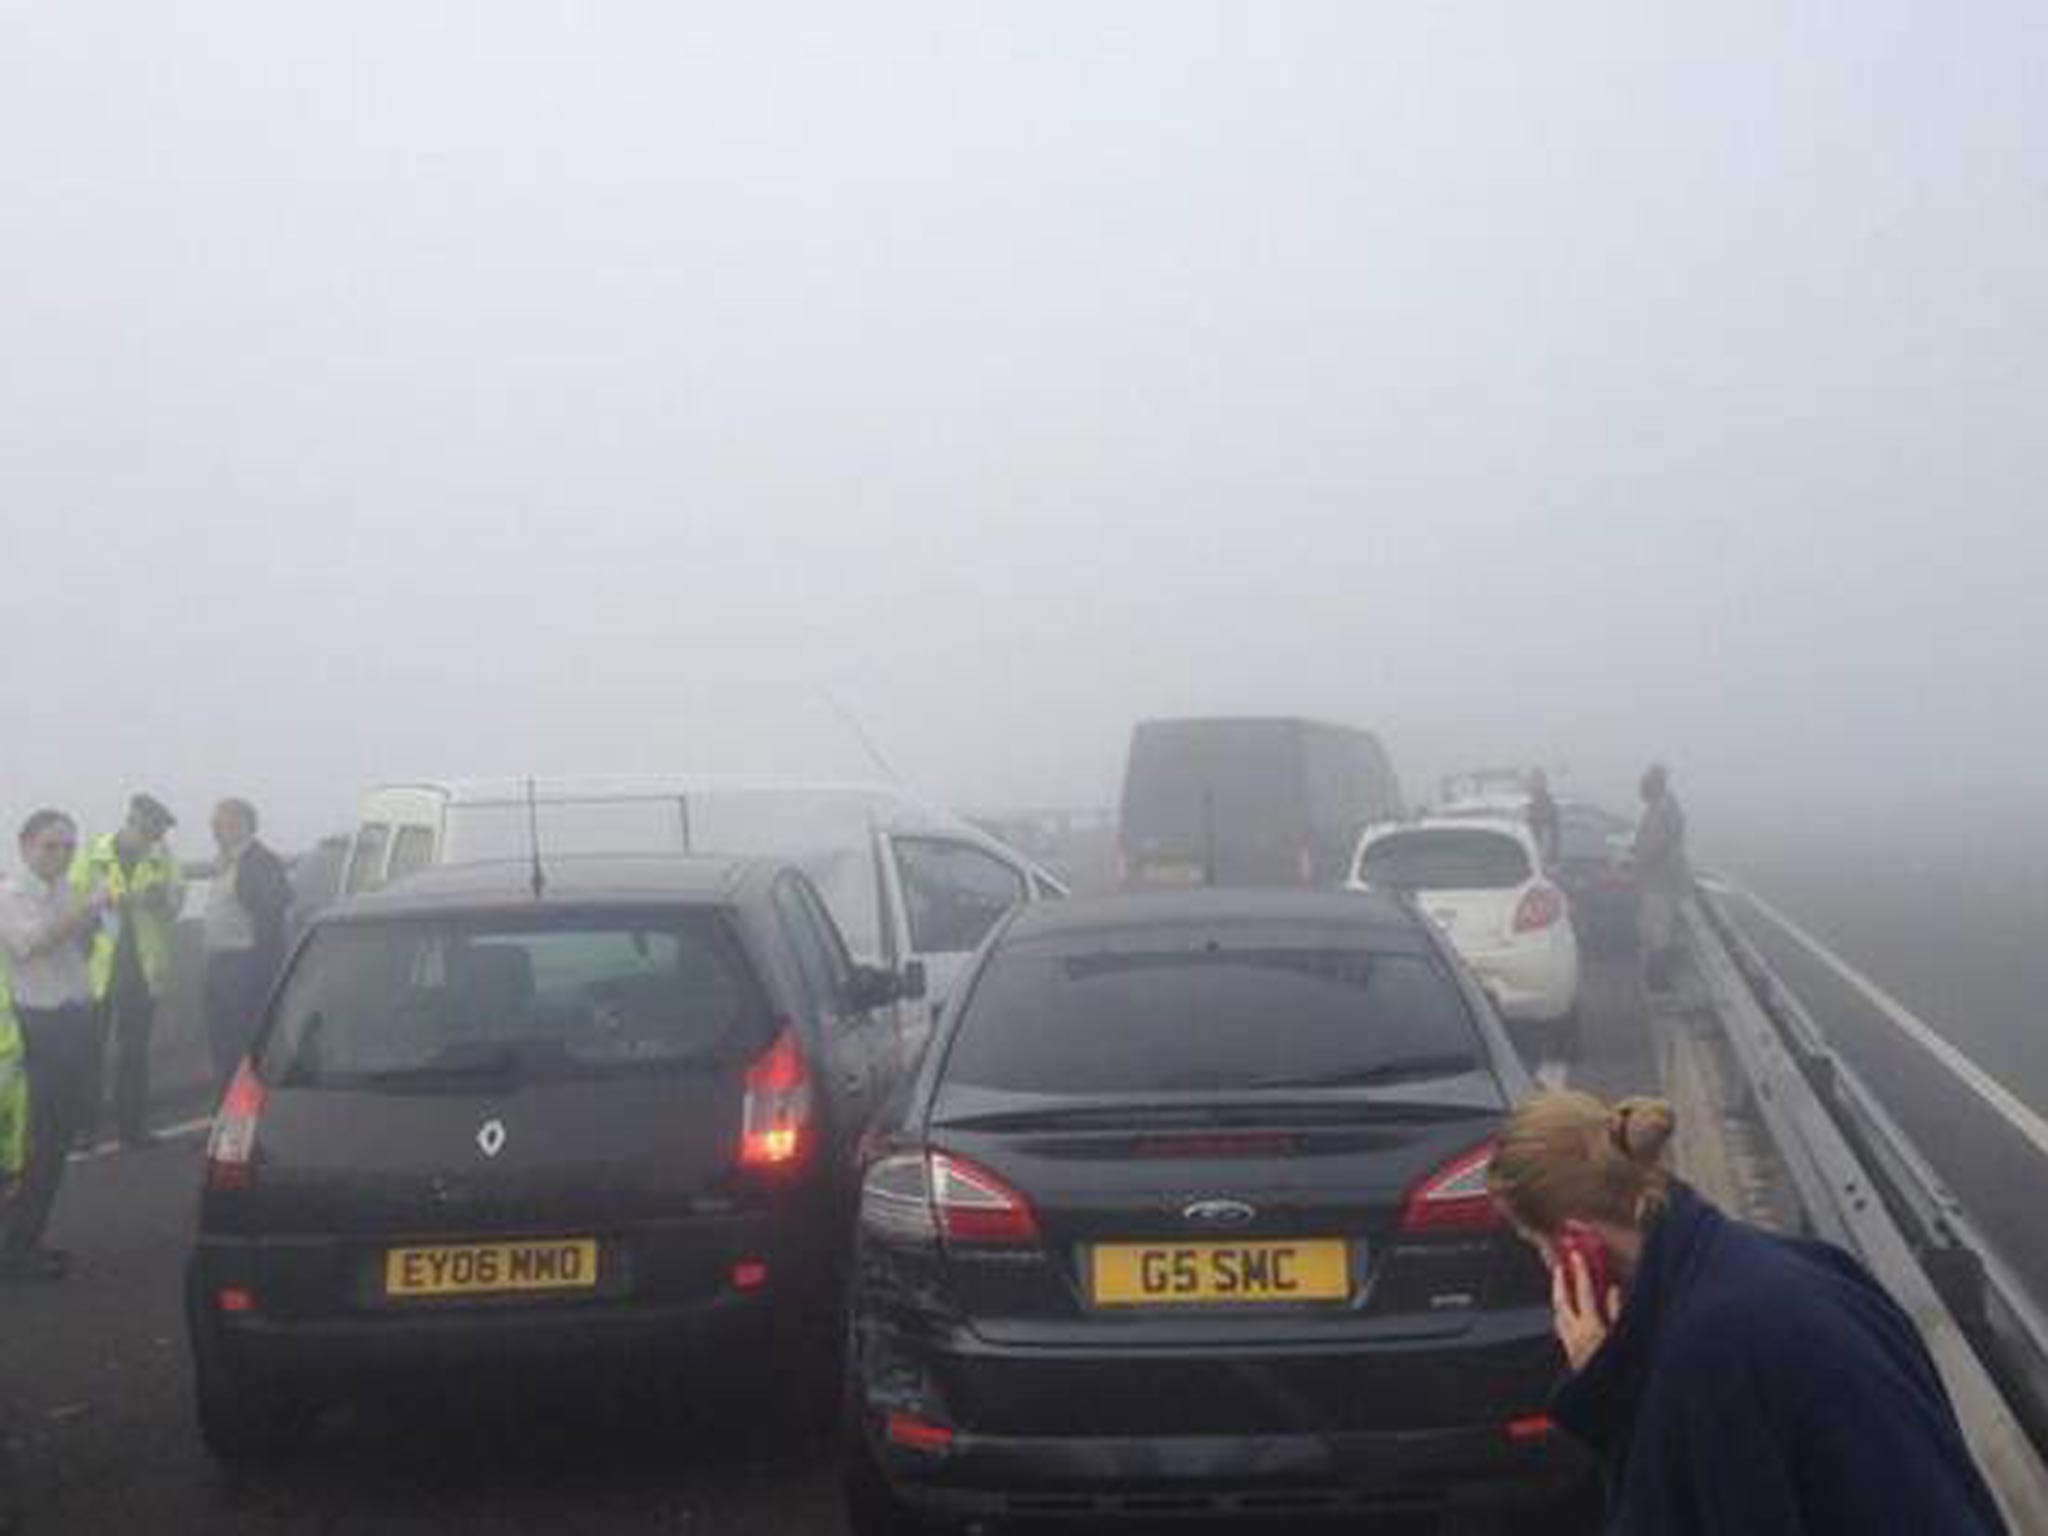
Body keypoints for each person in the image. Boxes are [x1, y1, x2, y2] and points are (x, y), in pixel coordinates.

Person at [1487, 1089, 2009, 1535]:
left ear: (1581, 1248)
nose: (1546, 1269)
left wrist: (1608, 1382)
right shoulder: (1801, 1264)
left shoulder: (1703, 1354)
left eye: (1539, 1247)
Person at [0, 811, 111, 1281]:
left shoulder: (64, 890)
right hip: (38, 1027)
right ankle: (16, 1248)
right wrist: (85, 911)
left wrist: (92, 923)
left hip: (72, 1017)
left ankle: (28, 1238)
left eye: (68, 847)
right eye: (51, 846)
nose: (61, 856)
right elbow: (29, 944)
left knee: (58, 1140)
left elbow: (73, 947)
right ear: (25, 845)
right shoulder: (11, 896)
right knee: (37, 1145)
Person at [71, 793, 184, 1149]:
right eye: (152, 829)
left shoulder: (162, 858)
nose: (156, 837)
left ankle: (131, 1129)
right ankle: (84, 1130)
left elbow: (176, 901)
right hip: (97, 969)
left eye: (159, 832)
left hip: (142, 969)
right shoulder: (94, 854)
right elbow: (72, 898)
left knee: (134, 1053)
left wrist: (159, 899)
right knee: (89, 1051)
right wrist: (97, 902)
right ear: (134, 821)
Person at [202, 799, 291, 1085]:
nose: (215, 832)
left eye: (221, 825)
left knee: (241, 1047)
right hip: (219, 963)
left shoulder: (259, 862)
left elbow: (272, 912)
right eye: (214, 825)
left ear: (243, 825)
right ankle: (226, 1107)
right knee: (222, 1047)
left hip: (244, 966)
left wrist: (258, 969)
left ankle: (243, 1111)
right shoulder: (225, 861)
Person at [1631, 764, 1688, 994]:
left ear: (1655, 785)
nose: (1641, 790)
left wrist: (1639, 861)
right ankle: (1654, 976)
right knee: (1653, 929)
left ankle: (1658, 980)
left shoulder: (1665, 810)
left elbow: (1659, 845)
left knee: (1659, 931)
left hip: (1661, 880)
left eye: (1644, 785)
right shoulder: (1659, 807)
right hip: (1655, 879)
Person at [1525, 769, 1562, 868]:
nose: (1535, 784)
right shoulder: (1529, 805)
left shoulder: (1547, 806)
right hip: (1534, 857)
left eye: (1538, 780)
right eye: (1534, 780)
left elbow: (1549, 835)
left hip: (1542, 859)